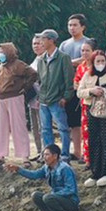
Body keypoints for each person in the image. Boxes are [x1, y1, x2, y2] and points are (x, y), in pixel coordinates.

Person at [5, 144, 79, 211]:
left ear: (55, 156)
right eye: (43, 155)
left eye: (47, 155)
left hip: (70, 202)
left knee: (47, 197)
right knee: (36, 196)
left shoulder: (65, 169)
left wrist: (54, 195)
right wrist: (18, 169)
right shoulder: (46, 167)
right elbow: (34, 175)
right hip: (56, 198)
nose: (44, 157)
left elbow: (70, 189)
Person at [77, 51, 106, 186]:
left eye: (103, 61)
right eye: (98, 61)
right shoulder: (87, 75)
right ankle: (95, 172)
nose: (100, 64)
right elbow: (79, 92)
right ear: (93, 62)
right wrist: (91, 91)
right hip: (91, 110)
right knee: (93, 139)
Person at [0, 42, 38, 164]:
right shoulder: (1, 66)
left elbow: (33, 74)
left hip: (15, 97)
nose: (0, 54)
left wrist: (24, 88)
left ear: (9, 52)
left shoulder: (19, 64)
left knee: (18, 126)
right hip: (0, 98)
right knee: (0, 127)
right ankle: (0, 155)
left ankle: (24, 156)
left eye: (3, 52)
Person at [35, 29, 75, 161]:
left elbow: (69, 79)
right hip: (44, 100)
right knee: (45, 129)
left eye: (43, 39)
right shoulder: (41, 59)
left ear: (51, 40)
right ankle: (48, 156)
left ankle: (64, 155)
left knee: (63, 129)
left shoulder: (63, 58)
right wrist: (40, 96)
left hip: (57, 100)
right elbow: (40, 80)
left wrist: (66, 97)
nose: (41, 42)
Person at [61, 14, 91, 161]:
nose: (72, 28)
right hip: (69, 86)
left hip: (85, 86)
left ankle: (86, 152)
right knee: (73, 121)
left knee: (85, 121)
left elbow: (87, 60)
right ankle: (77, 151)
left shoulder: (88, 42)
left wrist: (69, 62)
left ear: (83, 27)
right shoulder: (64, 44)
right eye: (70, 25)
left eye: (75, 25)